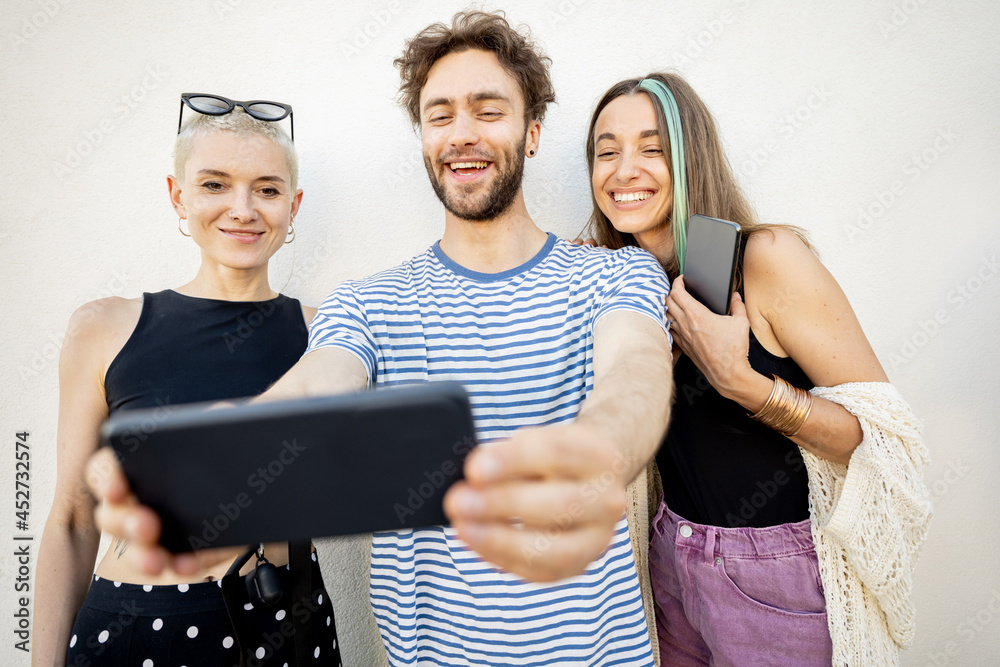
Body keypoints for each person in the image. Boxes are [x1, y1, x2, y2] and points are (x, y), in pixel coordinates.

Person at [88, 11, 675, 666]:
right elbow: (320, 382)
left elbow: (638, 372)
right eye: (440, 114)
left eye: (488, 110)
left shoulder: (616, 273)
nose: (462, 134)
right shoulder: (367, 303)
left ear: (532, 132)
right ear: (422, 136)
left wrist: (599, 451)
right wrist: (233, 453)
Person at [584, 72, 932, 666]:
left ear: (691, 159)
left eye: (652, 148)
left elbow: (882, 436)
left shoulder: (766, 259)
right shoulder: (612, 283)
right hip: (668, 562)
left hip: (778, 574)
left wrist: (740, 381)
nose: (624, 170)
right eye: (606, 151)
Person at [35, 98, 341, 666]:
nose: (243, 209)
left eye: (267, 190)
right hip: (133, 630)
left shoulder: (331, 333)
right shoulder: (105, 327)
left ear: (293, 207)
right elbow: (73, 519)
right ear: (179, 195)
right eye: (215, 184)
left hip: (283, 626)